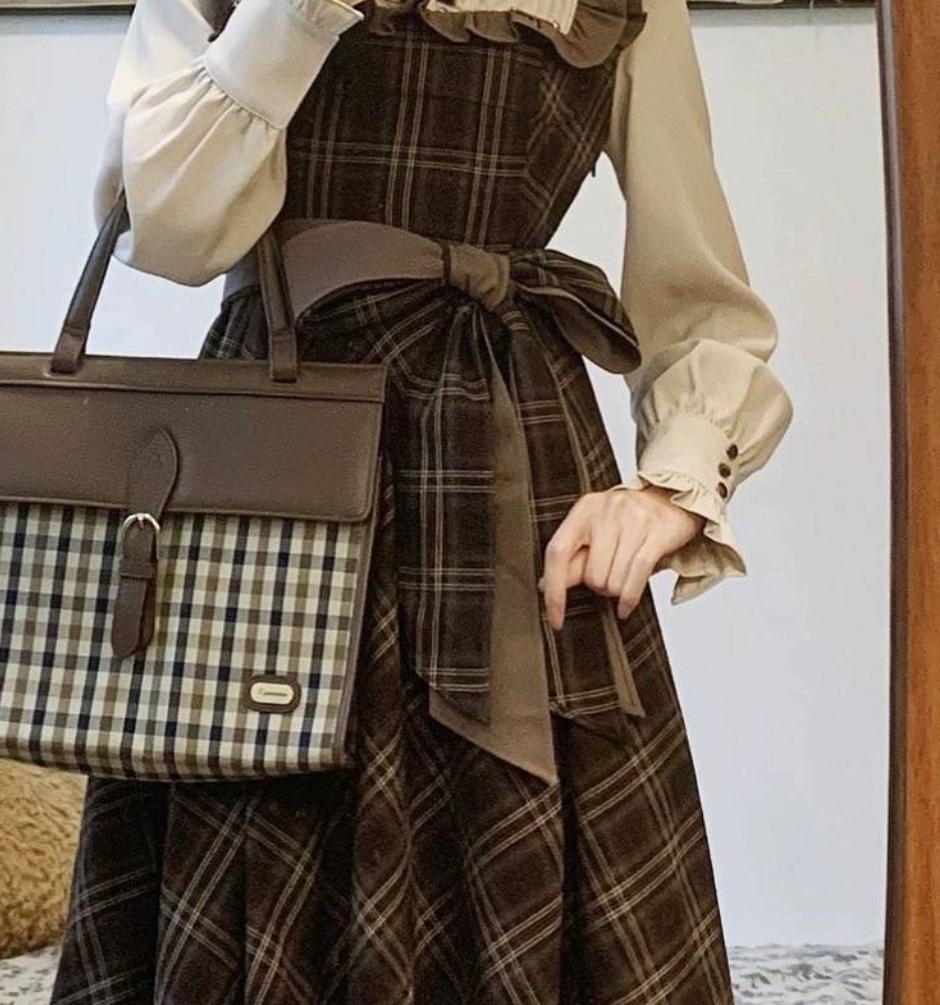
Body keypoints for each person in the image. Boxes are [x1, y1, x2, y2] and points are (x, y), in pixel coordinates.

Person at [51, 1, 794, 1002]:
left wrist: (673, 485)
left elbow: (698, 292)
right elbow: (162, 227)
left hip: (518, 464)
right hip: (280, 475)